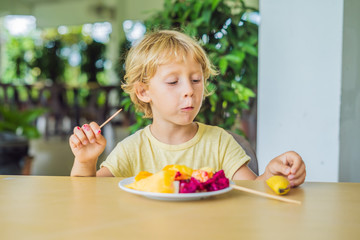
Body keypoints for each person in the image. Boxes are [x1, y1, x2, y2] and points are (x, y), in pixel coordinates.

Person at [69, 30, 306, 187]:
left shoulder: (220, 143)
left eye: (196, 80)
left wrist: (273, 176)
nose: (189, 91)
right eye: (173, 82)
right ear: (143, 92)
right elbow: (87, 197)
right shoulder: (131, 150)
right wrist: (85, 162)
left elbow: (254, 192)